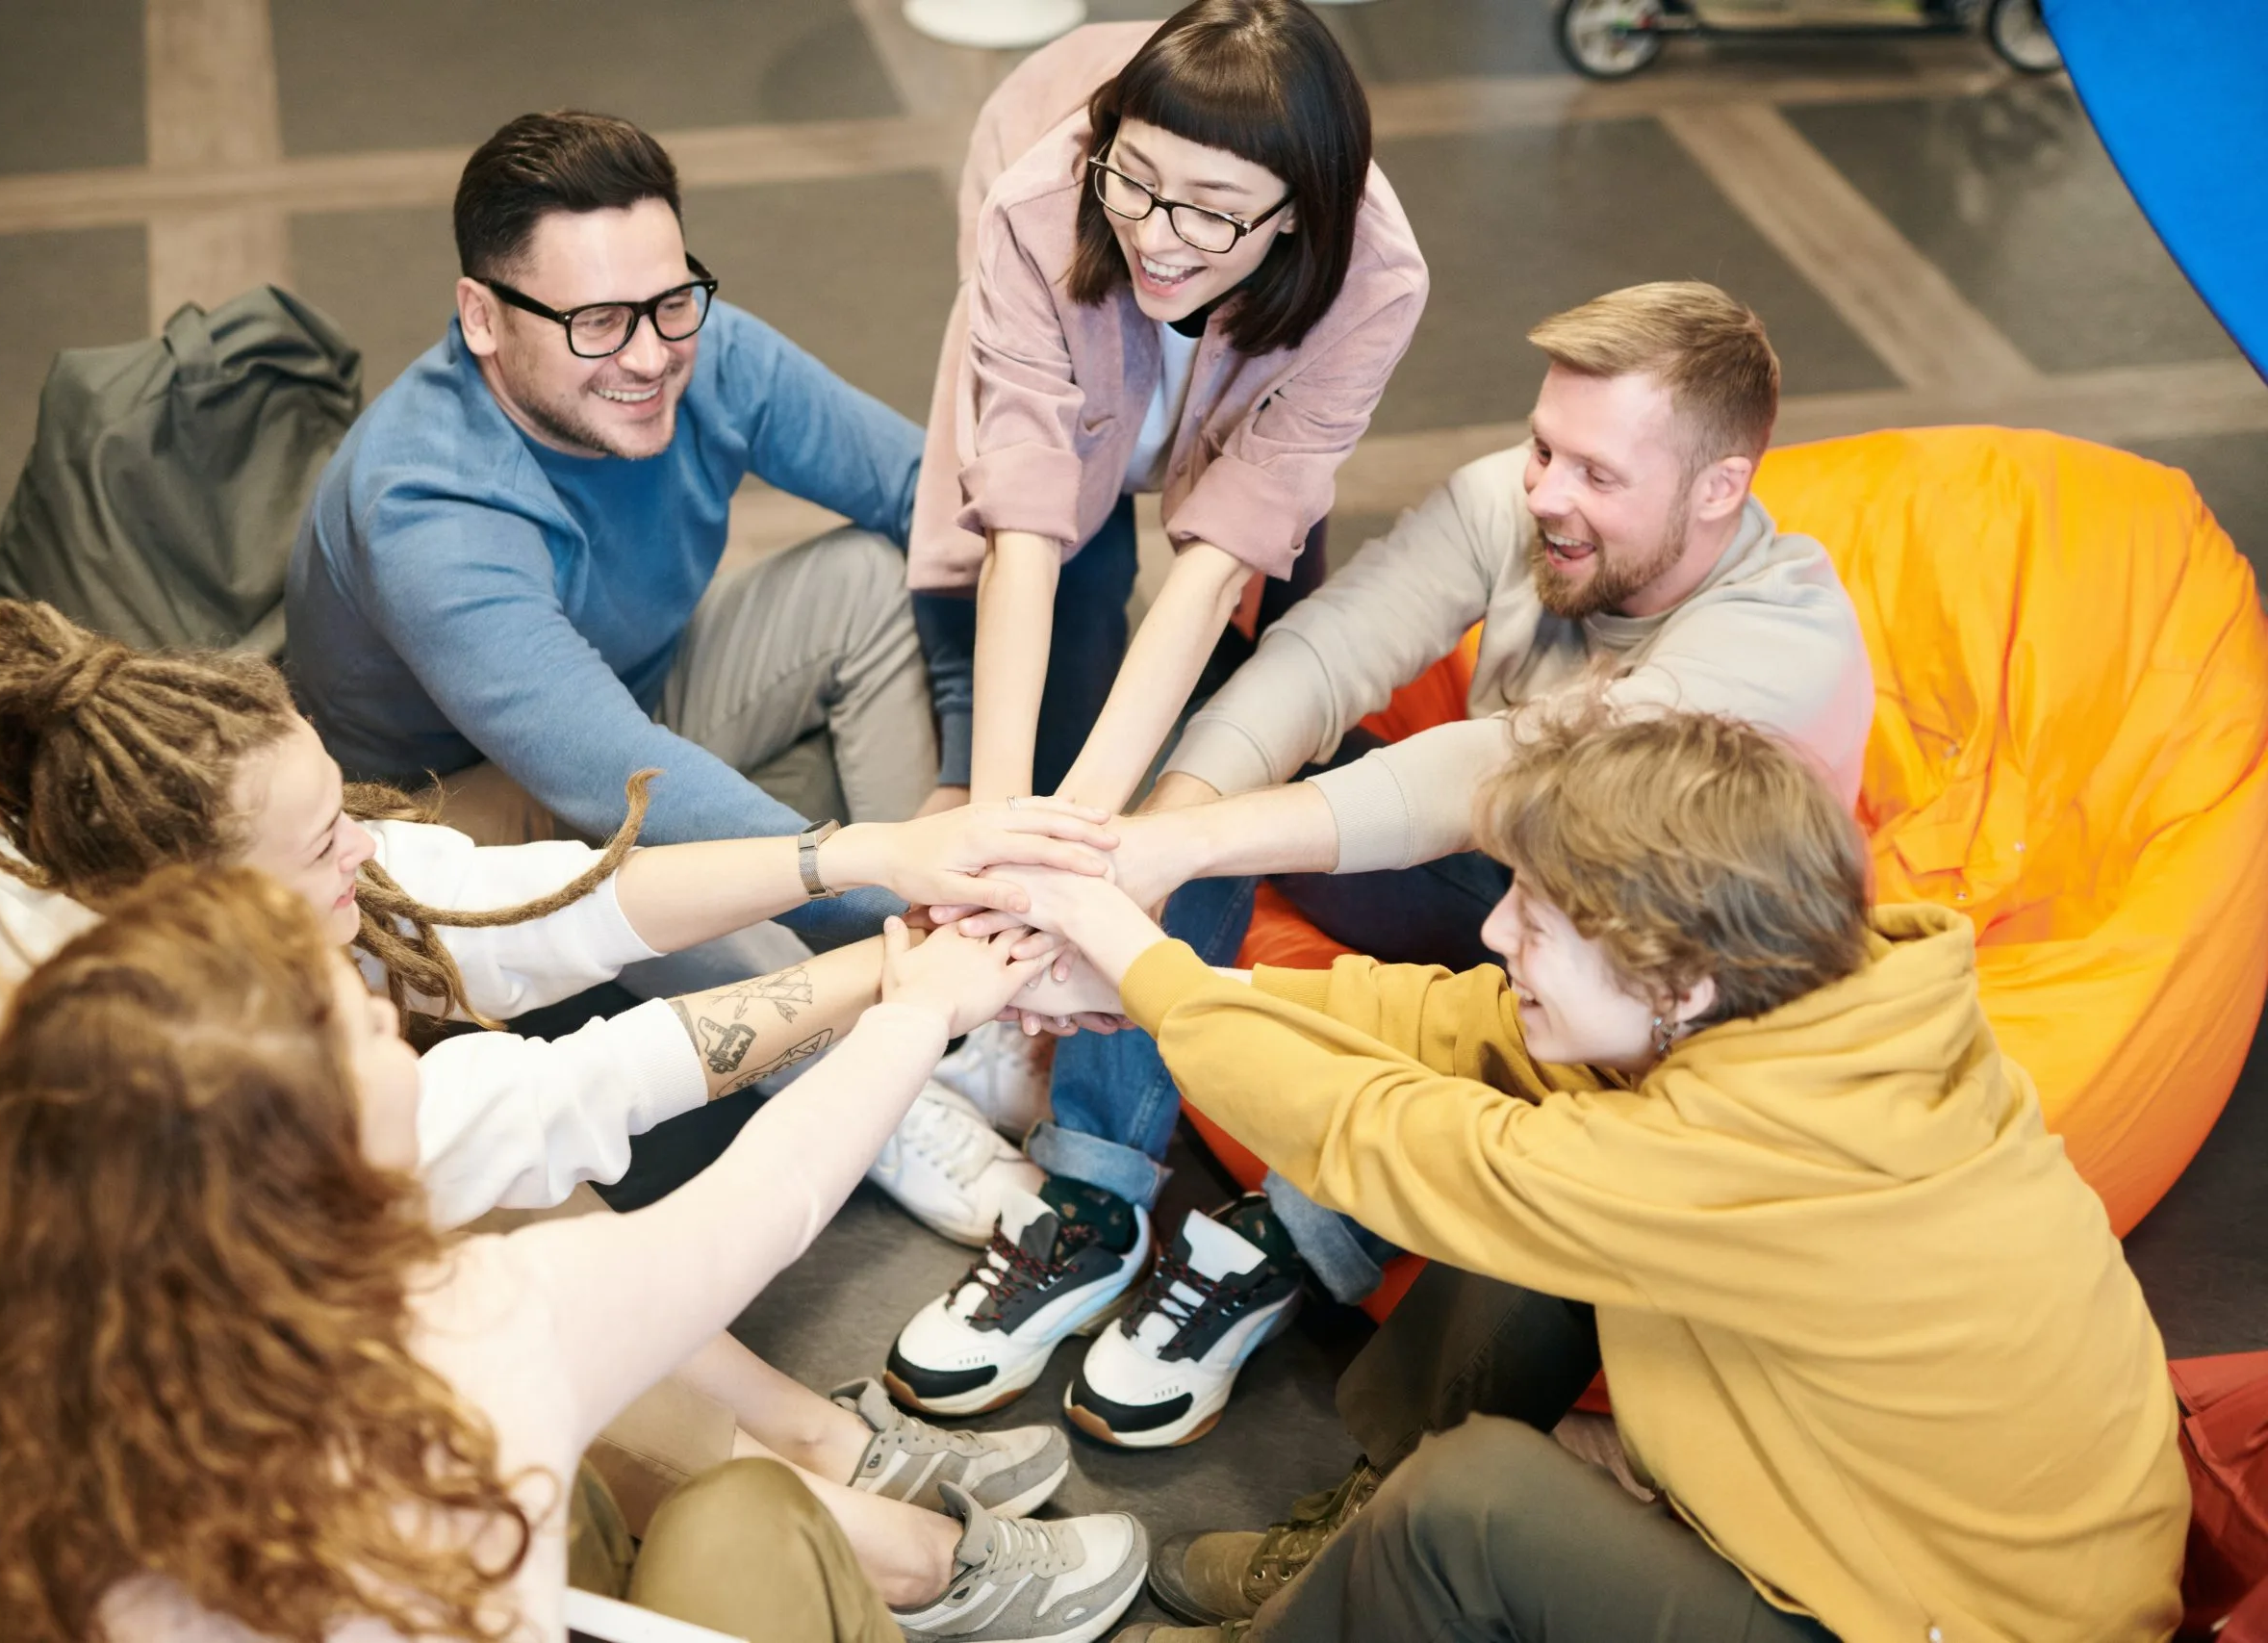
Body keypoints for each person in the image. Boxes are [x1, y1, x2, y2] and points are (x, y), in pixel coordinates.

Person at [0, 601, 1130, 1630]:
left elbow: (492, 912)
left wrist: (861, 859)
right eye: (355, 1016)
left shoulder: (115, 953)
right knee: (716, 1493)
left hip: (50, 1443)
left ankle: (824, 1449)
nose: (369, 860)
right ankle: (894, 1543)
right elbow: (719, 1181)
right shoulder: (448, 1349)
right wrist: (915, 992)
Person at [883, 280, 1877, 1451]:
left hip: (1651, 984)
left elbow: (1498, 769)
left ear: (1721, 488)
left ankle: (1291, 1241)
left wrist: (1181, 844)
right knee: (1215, 734)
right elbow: (1328, 652)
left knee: (1524, 1008)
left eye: (1597, 476)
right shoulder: (1519, 507)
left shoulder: (1780, 649)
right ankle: (1092, 1195)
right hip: (1510, 895)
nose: (1546, 494)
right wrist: (1153, 837)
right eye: (1542, 448)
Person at [989, 709, 2184, 1643]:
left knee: (1477, 1506)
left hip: (1942, 1628)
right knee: (1527, 1234)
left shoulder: (1758, 1154)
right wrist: (1165, 991)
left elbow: (1392, 1137)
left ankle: (1354, 1606)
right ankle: (1350, 1565)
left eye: (1539, 918)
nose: (1497, 932)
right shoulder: (1814, 998)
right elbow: (1460, 1026)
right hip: (1900, 1541)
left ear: (1680, 986)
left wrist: (1140, 959)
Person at [879, 0, 1429, 1261]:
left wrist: (1083, 857)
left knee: (1232, 709)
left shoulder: (1370, 273)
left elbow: (1218, 557)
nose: (1160, 234)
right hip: (1047, 412)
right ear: (1104, 145)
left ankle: (1090, 1124)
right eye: (1138, 182)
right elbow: (1021, 513)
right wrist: (1002, 832)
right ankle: (1033, 1032)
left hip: (1246, 489)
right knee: (1059, 592)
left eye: (1213, 210)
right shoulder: (1044, 191)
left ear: (1295, 211)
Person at [287, 108, 940, 992]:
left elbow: (935, 501)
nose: (650, 357)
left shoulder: (703, 349)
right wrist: (888, 892)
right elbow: (610, 777)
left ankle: (932, 951)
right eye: (596, 320)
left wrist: (962, 797)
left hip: (634, 695)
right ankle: (900, 1053)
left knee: (875, 572)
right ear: (481, 318)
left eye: (671, 303)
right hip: (454, 806)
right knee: (626, 838)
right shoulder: (423, 503)